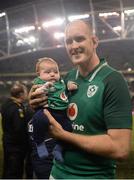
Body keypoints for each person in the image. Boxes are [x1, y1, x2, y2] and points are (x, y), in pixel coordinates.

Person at [29, 20, 132, 179]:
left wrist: (64, 136)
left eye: (79, 39)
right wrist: (36, 101)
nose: (73, 46)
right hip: (56, 173)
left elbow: (120, 149)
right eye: (68, 41)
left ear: (94, 41)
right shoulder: (68, 77)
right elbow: (51, 108)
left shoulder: (113, 81)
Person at [1, 82, 33, 179]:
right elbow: (19, 129)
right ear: (21, 95)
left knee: (7, 168)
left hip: (7, 142)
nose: (27, 94)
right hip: (16, 147)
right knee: (15, 171)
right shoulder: (17, 109)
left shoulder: (6, 104)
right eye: (26, 92)